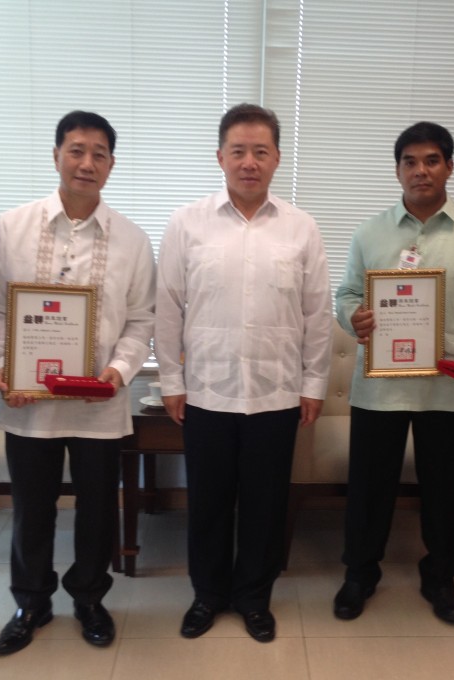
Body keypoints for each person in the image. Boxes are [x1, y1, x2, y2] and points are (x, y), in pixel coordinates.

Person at [0, 111, 155, 654]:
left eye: (99, 154)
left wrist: (118, 372)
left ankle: (90, 598)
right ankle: (30, 601)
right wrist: (5, 366)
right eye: (76, 150)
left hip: (100, 403)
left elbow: (142, 319)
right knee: (33, 506)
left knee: (99, 506)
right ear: (56, 155)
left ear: (112, 165)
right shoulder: (13, 227)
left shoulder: (133, 240)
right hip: (30, 400)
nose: (87, 163)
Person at [155, 103, 333, 643]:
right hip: (207, 390)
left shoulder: (301, 229)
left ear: (276, 158)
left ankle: (255, 597)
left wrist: (313, 384)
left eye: (261, 151)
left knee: (264, 503)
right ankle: (207, 596)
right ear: (220, 157)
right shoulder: (187, 224)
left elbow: (316, 314)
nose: (249, 162)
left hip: (276, 393)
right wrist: (171, 382)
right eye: (239, 151)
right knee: (207, 502)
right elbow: (168, 308)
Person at [333, 122, 454, 625]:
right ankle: (360, 574)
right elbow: (346, 296)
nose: (420, 170)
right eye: (409, 161)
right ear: (397, 170)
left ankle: (441, 578)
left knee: (442, 488)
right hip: (380, 388)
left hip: (447, 387)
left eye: (431, 160)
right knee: (369, 488)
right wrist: (355, 318)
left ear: (449, 166)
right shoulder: (370, 232)